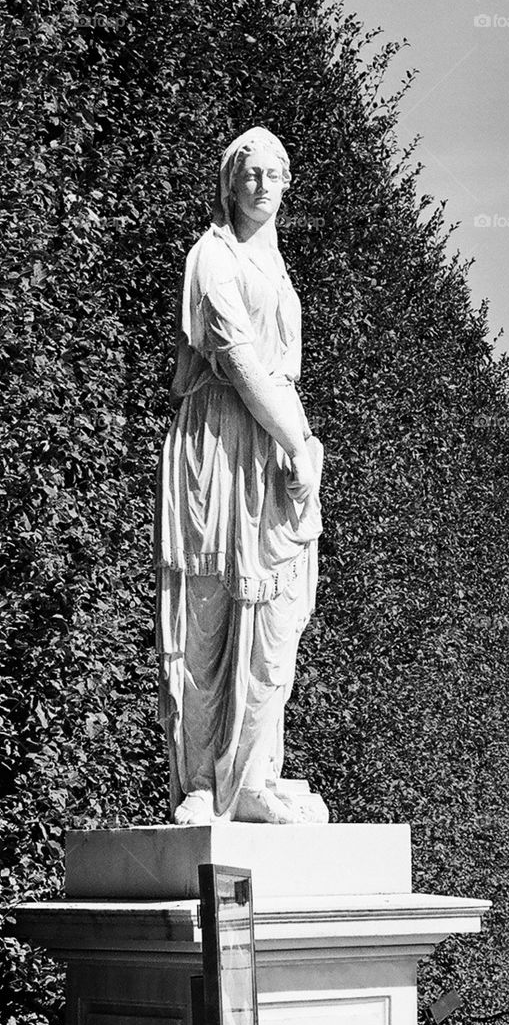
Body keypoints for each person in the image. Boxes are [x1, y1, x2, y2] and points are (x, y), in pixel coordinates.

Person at [156, 127, 323, 825]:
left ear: (287, 185)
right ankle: (203, 783)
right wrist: (303, 441)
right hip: (219, 450)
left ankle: (255, 775)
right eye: (250, 174)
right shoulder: (210, 257)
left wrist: (297, 448)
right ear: (230, 184)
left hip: (276, 452)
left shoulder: (278, 269)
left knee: (278, 617)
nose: (262, 185)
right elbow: (239, 358)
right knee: (210, 622)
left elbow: (279, 369)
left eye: (275, 174)